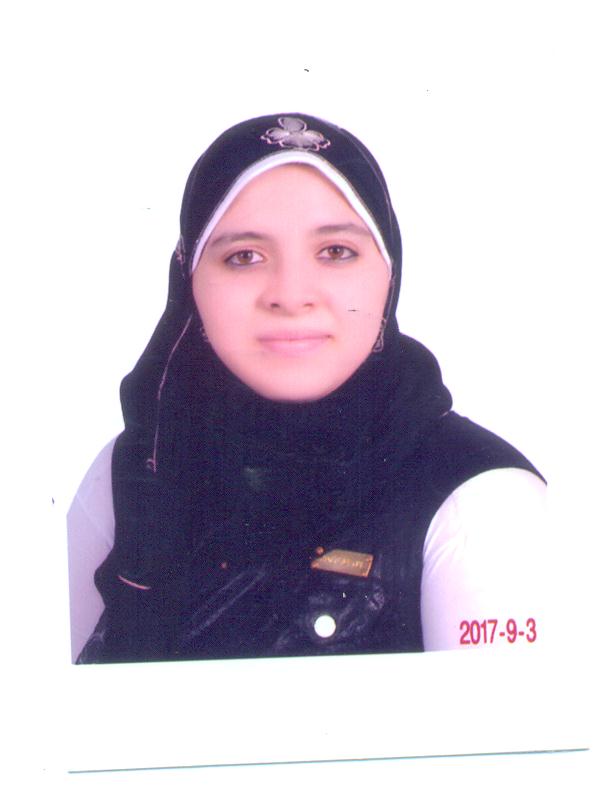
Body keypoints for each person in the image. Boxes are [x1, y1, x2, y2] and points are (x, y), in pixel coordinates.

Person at [67, 113, 546, 664]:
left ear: (389, 273)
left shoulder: (484, 506)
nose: (291, 295)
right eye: (244, 256)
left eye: (335, 251)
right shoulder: (132, 471)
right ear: (189, 279)